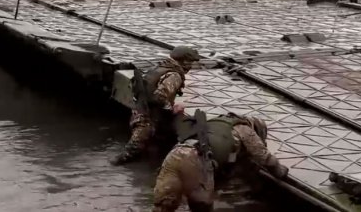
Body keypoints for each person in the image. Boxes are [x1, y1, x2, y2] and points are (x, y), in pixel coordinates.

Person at [153, 110, 289, 212]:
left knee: (163, 206)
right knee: (201, 207)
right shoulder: (245, 129)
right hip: (197, 159)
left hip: (175, 153)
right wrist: (281, 171)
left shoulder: (216, 124)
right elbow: (264, 157)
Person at [111, 46, 201, 165]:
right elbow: (159, 97)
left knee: (147, 143)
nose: (191, 67)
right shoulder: (174, 75)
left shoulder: (161, 66)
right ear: (184, 61)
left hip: (140, 108)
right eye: (190, 63)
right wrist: (172, 108)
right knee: (132, 150)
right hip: (147, 115)